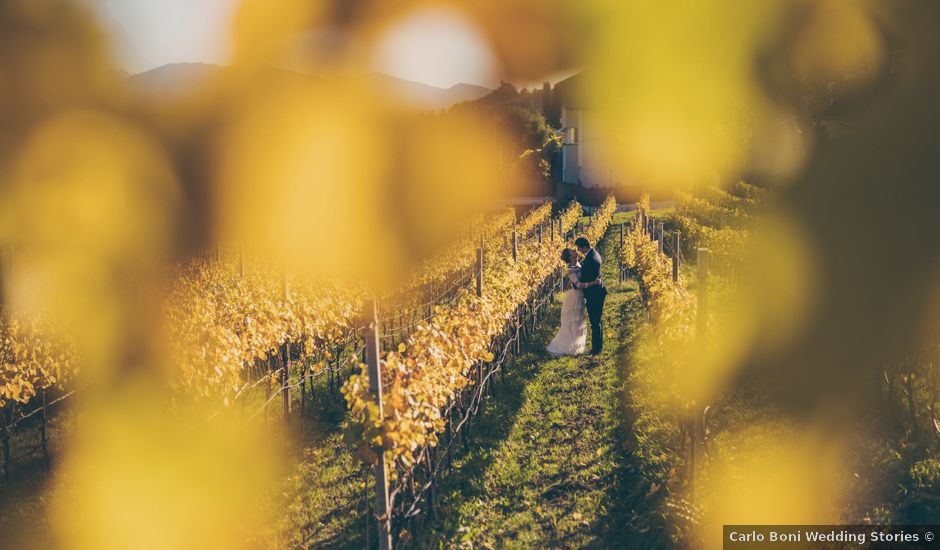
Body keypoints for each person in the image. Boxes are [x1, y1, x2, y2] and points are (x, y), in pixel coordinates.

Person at [546, 248, 588, 356]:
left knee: (579, 320)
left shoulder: (578, 263)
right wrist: (593, 283)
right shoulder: (570, 269)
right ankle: (569, 347)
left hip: (579, 295)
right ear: (570, 257)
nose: (575, 251)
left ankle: (576, 346)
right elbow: (578, 285)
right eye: (572, 251)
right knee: (573, 321)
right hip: (574, 296)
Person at [574, 236, 607, 355]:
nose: (578, 250)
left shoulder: (591, 259)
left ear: (583, 247)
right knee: (597, 320)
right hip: (598, 291)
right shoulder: (594, 254)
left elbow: (584, 279)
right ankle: (598, 346)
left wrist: (575, 283)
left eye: (579, 248)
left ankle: (596, 349)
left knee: (595, 321)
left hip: (594, 293)